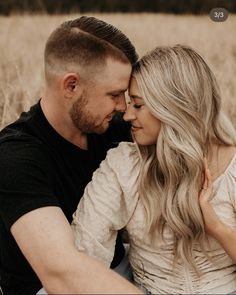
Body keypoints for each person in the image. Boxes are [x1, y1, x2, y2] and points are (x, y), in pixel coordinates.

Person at [72, 45, 236, 294]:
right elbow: (86, 250)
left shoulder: (232, 166)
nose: (126, 115)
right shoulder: (123, 166)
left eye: (137, 105)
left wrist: (215, 226)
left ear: (173, 108)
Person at [0, 16, 143, 295]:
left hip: (122, 271)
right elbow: (61, 273)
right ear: (71, 86)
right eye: (114, 94)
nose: (123, 107)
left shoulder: (115, 128)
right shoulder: (15, 156)